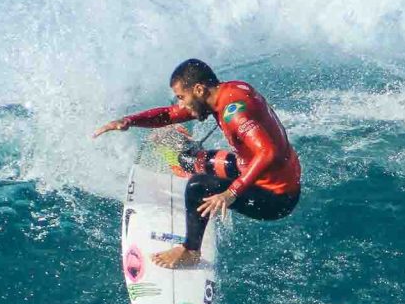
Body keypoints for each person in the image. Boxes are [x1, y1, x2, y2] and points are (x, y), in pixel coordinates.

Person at [92, 59, 301, 269]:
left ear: (199, 89)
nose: (181, 105)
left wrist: (231, 193)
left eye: (182, 97)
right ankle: (184, 165)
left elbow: (267, 152)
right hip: (256, 169)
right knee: (192, 161)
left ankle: (190, 251)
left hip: (276, 198)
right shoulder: (227, 92)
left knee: (197, 187)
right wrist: (129, 121)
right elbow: (169, 114)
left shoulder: (234, 114)